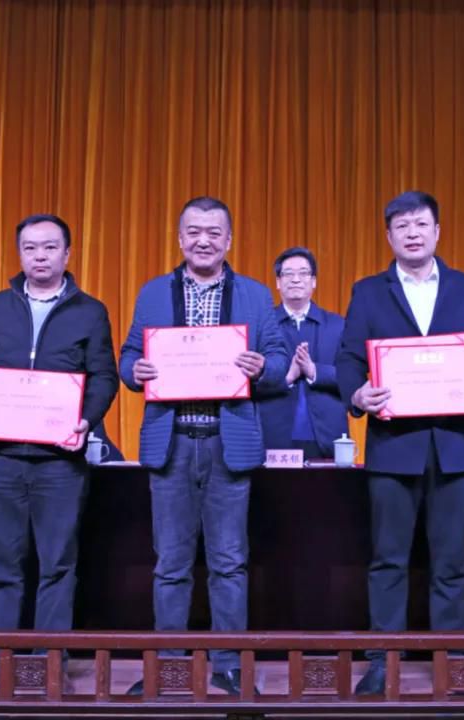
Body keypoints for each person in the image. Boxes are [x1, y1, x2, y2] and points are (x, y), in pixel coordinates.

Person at [335, 191, 464, 695]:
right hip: (394, 446)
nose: (412, 233)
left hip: (454, 444)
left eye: (421, 224)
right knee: (388, 559)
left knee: (451, 562)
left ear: (437, 231)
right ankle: (383, 662)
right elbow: (348, 358)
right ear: (389, 236)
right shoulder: (369, 291)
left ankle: (454, 663)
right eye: (402, 226)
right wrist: (357, 394)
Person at [119, 196, 289, 696]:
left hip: (226, 442)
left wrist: (264, 367)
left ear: (229, 240)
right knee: (170, 563)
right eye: (194, 231)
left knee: (229, 562)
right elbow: (129, 354)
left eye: (214, 232)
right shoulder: (153, 292)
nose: (203, 240)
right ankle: (169, 666)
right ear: (179, 238)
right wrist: (134, 370)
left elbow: (279, 360)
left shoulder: (255, 295)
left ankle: (229, 664)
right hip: (171, 442)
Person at [0, 214, 119, 694]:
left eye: (50, 247)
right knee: (0, 566)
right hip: (2, 459)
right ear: (20, 254)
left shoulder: (90, 311)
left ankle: (50, 662)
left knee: (58, 566)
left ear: (67, 254)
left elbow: (104, 376)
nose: (40, 256)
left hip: (59, 463)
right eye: (30, 248)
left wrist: (86, 421)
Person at [255, 247, 349, 459]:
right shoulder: (262, 326)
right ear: (278, 282)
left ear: (313, 281)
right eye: (288, 273)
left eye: (303, 273)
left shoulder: (337, 325)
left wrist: (314, 371)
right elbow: (247, 383)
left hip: (327, 436)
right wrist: (287, 377)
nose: (296, 279)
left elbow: (351, 377)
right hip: (273, 436)